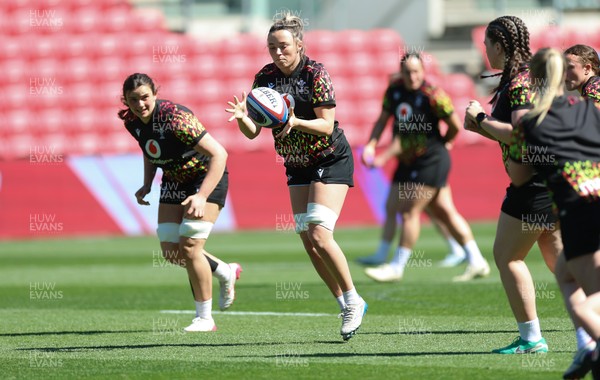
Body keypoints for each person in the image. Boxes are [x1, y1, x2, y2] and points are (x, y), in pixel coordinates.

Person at [225, 12, 367, 341]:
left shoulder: (315, 73)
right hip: (296, 162)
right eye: (271, 47)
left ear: (299, 45)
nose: (277, 52)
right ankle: (343, 302)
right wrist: (243, 118)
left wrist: (294, 122)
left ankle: (353, 299)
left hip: (330, 157)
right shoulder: (264, 77)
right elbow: (253, 132)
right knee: (308, 242)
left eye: (284, 46)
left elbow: (327, 124)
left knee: (318, 233)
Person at [464, 15, 586, 356]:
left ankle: (532, 338)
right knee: (562, 262)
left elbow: (521, 134)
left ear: (499, 45)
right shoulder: (524, 78)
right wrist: (481, 127)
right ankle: (589, 334)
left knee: (507, 257)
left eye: (488, 44)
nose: (485, 50)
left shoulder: (519, 82)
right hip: (549, 181)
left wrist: (482, 119)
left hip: (533, 186)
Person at [119, 73, 242, 332]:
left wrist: (201, 196)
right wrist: (147, 183)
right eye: (134, 100)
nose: (140, 104)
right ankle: (224, 271)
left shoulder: (176, 119)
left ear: (155, 94)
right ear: (126, 101)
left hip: (204, 177)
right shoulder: (133, 122)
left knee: (190, 247)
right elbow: (150, 149)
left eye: (145, 97)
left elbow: (220, 153)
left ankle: (205, 319)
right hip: (174, 181)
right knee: (171, 252)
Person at [507, 47, 600, 379]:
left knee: (588, 301)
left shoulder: (531, 123)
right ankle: (588, 349)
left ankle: (594, 344)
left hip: (580, 212)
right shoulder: (591, 108)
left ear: (533, 80)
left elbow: (518, 177)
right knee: (564, 272)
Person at [362, 53, 489, 283]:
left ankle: (396, 267)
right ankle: (477, 260)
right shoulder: (394, 91)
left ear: (423, 71)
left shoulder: (433, 95)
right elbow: (382, 120)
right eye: (407, 72)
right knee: (443, 212)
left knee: (410, 211)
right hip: (408, 160)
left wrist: (446, 142)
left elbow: (453, 125)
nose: (412, 76)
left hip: (432, 160)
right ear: (401, 72)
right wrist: (371, 144)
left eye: (416, 71)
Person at [357, 71, 467, 268]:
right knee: (422, 209)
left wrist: (382, 158)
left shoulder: (425, 98)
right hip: (408, 164)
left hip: (426, 163)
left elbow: (402, 141)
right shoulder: (399, 103)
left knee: (428, 211)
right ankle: (464, 252)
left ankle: (397, 265)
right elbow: (395, 134)